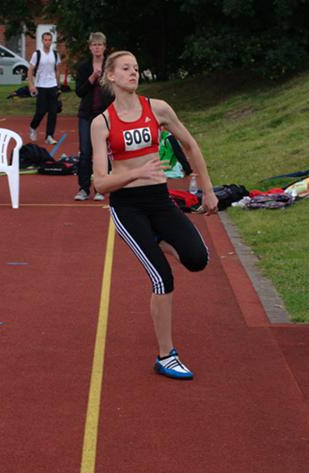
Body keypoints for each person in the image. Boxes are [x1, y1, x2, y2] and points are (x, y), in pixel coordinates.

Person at [91, 50, 218, 380]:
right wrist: (135, 173)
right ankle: (166, 355)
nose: (133, 72)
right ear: (112, 77)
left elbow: (189, 145)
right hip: (127, 207)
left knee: (198, 259)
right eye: (126, 68)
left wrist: (207, 187)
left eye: (136, 67)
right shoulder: (101, 123)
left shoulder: (157, 108)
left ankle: (157, 240)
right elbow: (101, 183)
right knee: (163, 277)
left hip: (160, 201)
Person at [74, 32, 114, 201]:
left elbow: (114, 90)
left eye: (100, 45)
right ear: (90, 47)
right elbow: (79, 92)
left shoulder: (111, 67)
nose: (97, 48)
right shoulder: (83, 67)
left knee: (103, 152)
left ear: (104, 47)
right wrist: (91, 78)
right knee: (85, 152)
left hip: (104, 115)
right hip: (86, 114)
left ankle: (100, 187)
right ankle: (83, 188)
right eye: (94, 45)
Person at [27, 31, 61, 144]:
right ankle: (32, 127)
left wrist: (58, 86)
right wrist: (31, 85)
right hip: (41, 86)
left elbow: (57, 70)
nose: (47, 42)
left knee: (53, 112)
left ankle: (49, 136)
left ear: (51, 41)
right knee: (40, 112)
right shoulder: (37, 54)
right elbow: (30, 69)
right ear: (42, 41)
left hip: (52, 86)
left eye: (49, 40)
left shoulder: (55, 54)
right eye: (45, 40)